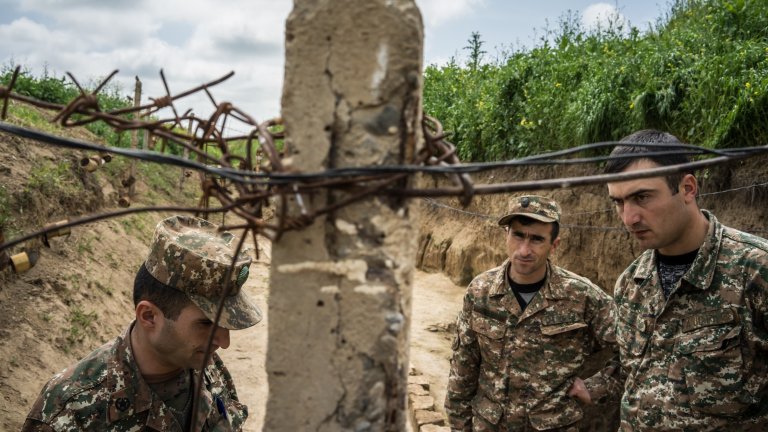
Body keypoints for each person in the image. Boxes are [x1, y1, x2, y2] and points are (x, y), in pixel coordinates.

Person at [22, 215, 263, 432]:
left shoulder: (206, 365)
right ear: (149, 316)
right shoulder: (72, 412)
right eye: (206, 324)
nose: (224, 342)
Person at [602, 129, 768, 430]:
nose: (629, 218)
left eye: (642, 197)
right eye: (619, 202)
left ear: (688, 187)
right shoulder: (630, 285)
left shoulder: (755, 271)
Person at [444, 195, 618, 431]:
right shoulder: (480, 292)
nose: (524, 250)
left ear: (554, 244)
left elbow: (633, 349)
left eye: (536, 239)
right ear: (506, 235)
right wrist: (459, 427)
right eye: (518, 235)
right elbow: (463, 368)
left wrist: (597, 386)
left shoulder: (583, 297)